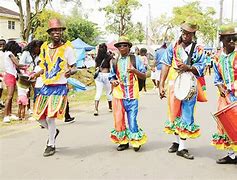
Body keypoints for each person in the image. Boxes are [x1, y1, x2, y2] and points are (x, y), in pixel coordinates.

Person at [159, 21, 206, 159]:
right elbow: (166, 65)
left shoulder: (198, 49)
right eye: (183, 32)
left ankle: (182, 147)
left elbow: (202, 67)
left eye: (188, 33)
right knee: (174, 112)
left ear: (193, 34)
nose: (185, 35)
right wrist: (161, 84)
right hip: (174, 84)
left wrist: (189, 68)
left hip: (190, 84)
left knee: (187, 113)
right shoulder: (173, 46)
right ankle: (176, 141)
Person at [31, 18, 76, 157]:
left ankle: (51, 144)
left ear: (62, 32)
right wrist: (36, 74)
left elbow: (74, 67)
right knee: (38, 116)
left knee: (51, 117)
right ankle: (53, 131)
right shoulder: (44, 48)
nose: (56, 32)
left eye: (59, 30)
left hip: (60, 87)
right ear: (50, 33)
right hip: (46, 86)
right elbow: (43, 67)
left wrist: (70, 71)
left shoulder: (68, 48)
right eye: (54, 30)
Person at [109, 36, 147, 152]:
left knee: (132, 119)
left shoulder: (136, 59)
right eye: (120, 46)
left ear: (129, 47)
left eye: (125, 45)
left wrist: (135, 71)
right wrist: (113, 80)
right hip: (119, 94)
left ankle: (135, 141)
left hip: (132, 95)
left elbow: (144, 75)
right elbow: (111, 76)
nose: (122, 48)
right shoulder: (115, 61)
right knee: (119, 119)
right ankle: (123, 141)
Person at [211, 23, 237, 164]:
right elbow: (217, 78)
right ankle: (231, 155)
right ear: (222, 40)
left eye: (234, 38)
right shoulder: (217, 58)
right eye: (229, 39)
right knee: (227, 125)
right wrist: (220, 87)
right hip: (225, 97)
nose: (232, 41)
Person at [2, 41, 25, 123]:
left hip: (11, 76)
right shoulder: (10, 54)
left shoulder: (7, 54)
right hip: (10, 76)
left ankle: (9, 114)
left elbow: (16, 66)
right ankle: (5, 116)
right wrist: (26, 66)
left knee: (11, 97)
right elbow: (18, 64)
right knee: (9, 96)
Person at [19, 40, 43, 115]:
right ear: (34, 47)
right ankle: (28, 108)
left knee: (36, 91)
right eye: (38, 48)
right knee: (27, 92)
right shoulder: (26, 53)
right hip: (25, 75)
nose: (39, 49)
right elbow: (21, 64)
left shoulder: (38, 55)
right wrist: (27, 68)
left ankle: (35, 107)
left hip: (34, 74)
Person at [94, 43, 113, 116]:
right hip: (107, 75)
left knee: (98, 92)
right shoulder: (109, 57)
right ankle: (110, 107)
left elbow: (95, 67)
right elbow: (111, 68)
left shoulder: (97, 57)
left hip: (99, 75)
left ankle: (96, 109)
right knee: (108, 92)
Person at [0, 39, 6, 109]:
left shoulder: (7, 53)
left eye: (3, 44)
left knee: (2, 89)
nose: (2, 46)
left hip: (4, 73)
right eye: (0, 44)